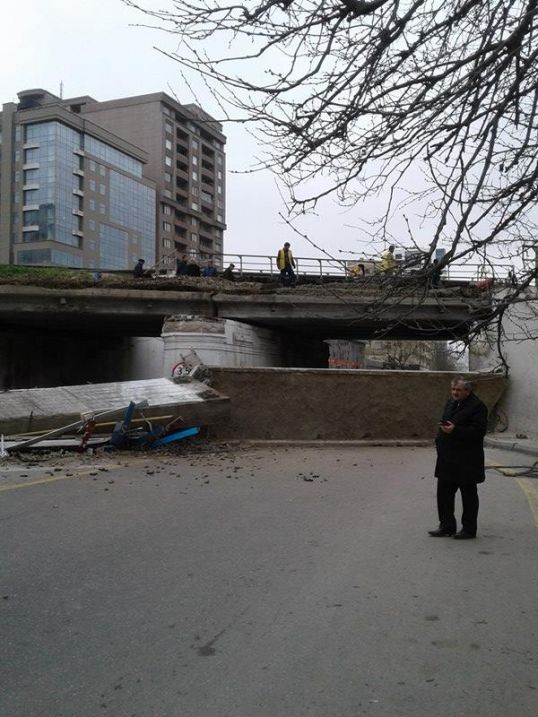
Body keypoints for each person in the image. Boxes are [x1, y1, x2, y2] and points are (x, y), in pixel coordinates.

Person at [429, 376, 488, 540]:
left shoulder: (478, 407)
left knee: (468, 495)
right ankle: (446, 526)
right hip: (447, 458)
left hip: (467, 460)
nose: (455, 392)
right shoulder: (451, 402)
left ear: (468, 391)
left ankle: (469, 529)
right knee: (444, 494)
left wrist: (455, 430)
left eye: (459, 390)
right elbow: (446, 423)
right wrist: (439, 440)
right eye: (453, 389)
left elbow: (478, 432)